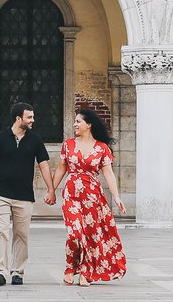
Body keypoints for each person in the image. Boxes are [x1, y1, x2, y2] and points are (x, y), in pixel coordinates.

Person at [0, 102, 55, 287]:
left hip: (24, 196)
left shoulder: (36, 139)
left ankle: (17, 272)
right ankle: (0, 271)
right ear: (18, 118)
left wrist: (51, 189)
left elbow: (44, 165)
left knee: (21, 235)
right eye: (29, 117)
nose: (33, 120)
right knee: (1, 232)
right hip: (1, 194)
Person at [52, 108, 126, 286]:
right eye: (75, 121)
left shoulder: (102, 148)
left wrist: (116, 197)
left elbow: (108, 174)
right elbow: (62, 168)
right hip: (71, 194)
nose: (75, 124)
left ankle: (85, 271)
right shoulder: (68, 144)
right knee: (75, 234)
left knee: (91, 236)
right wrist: (51, 190)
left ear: (89, 124)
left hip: (93, 197)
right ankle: (70, 268)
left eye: (78, 121)